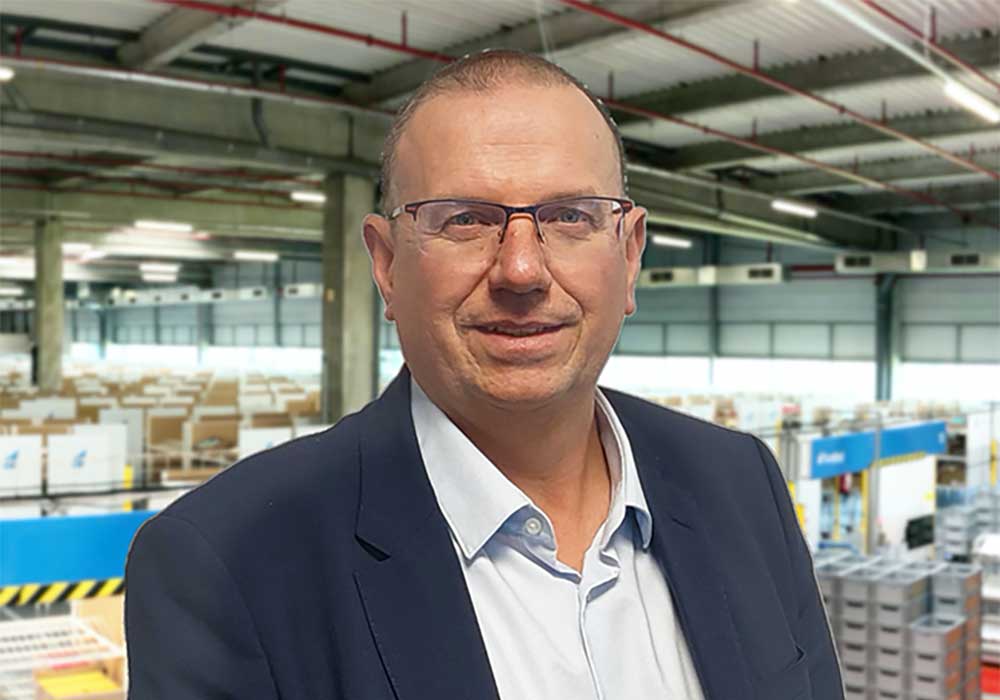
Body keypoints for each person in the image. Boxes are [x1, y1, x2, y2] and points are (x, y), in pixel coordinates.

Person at [125, 49, 842, 700]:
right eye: (465, 219)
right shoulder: (228, 563)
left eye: (570, 216)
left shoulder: (740, 483)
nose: (521, 270)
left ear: (629, 256)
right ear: (387, 265)